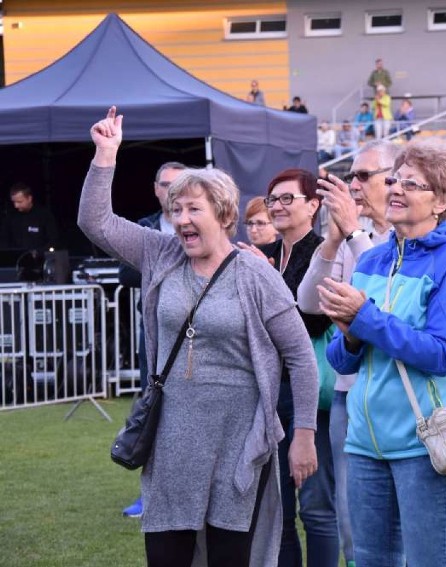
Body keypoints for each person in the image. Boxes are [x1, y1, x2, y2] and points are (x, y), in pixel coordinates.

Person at [79, 107, 319, 567]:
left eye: (193, 209)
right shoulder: (160, 253)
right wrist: (105, 156)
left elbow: (301, 357)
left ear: (224, 214)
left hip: (238, 444)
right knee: (166, 554)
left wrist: (304, 434)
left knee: (230, 558)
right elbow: (97, 223)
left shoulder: (255, 274)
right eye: (175, 210)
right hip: (171, 442)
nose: (181, 219)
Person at [320, 140, 446, 567]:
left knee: (430, 560)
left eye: (412, 183)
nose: (396, 189)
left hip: (428, 442)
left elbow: (443, 353)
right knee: (369, 559)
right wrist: (352, 335)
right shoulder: (372, 260)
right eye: (394, 179)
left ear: (441, 201)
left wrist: (365, 319)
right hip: (365, 443)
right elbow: (341, 360)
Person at [296, 140, 399, 567]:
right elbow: (309, 301)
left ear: (393, 179)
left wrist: (353, 234)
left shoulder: (406, 233)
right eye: (350, 176)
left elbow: (387, 301)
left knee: (400, 519)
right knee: (351, 517)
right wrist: (333, 241)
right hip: (348, 391)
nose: (352, 185)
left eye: (362, 176)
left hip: (395, 390)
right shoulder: (353, 236)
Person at [249, 169, 338, 567]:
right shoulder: (268, 255)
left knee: (317, 506)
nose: (278, 207)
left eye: (288, 199)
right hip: (269, 392)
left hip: (310, 394)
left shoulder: (324, 251)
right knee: (278, 511)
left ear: (314, 205)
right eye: (273, 200)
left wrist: (266, 278)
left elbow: (314, 321)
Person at [117, 160, 188, 519]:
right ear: (156, 188)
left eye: (179, 183)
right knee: (152, 413)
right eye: (165, 184)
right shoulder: (145, 227)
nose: (172, 190)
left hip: (197, 336)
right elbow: (124, 273)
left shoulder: (203, 222)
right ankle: (149, 494)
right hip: (156, 338)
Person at [1, 182, 59, 251]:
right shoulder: (10, 217)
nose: (16, 206)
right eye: (14, 202)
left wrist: (38, 252)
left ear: (29, 198)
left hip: (40, 258)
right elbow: (4, 241)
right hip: (16, 258)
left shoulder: (44, 215)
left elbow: (53, 240)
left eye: (19, 202)